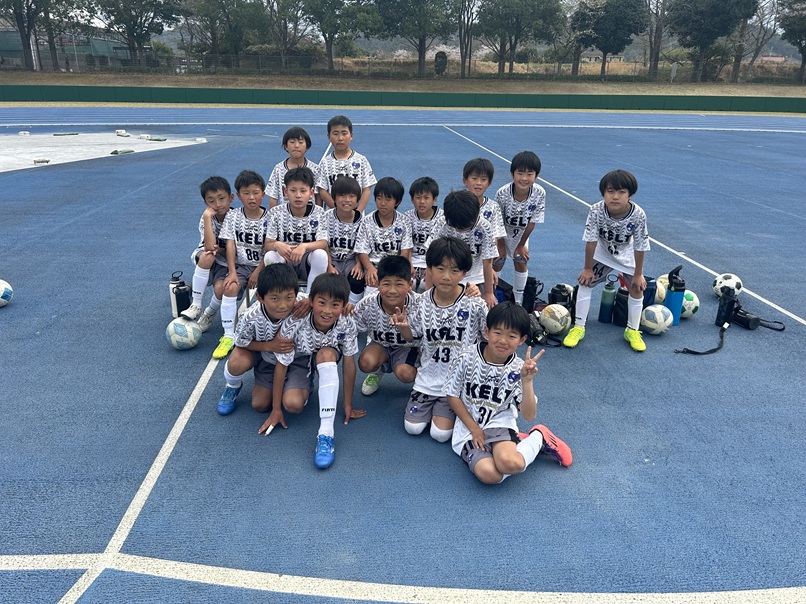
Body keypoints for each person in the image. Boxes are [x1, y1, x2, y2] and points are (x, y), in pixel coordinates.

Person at [445, 302, 572, 484]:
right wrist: (474, 429)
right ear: (487, 331)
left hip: (499, 422)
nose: (503, 341)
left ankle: (539, 437)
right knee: (490, 475)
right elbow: (452, 395)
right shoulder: (466, 358)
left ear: (521, 339)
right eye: (497, 333)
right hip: (469, 425)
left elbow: (529, 415)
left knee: (511, 464)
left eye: (511, 336)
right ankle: (515, 444)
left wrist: (527, 381)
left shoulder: (518, 368)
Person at [259, 273, 365, 469]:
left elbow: (349, 364)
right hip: (300, 359)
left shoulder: (347, 321)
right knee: (288, 405)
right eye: (321, 303)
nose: (327, 311)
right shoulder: (296, 319)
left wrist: (348, 404)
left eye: (335, 305)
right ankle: (307, 386)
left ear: (344, 305)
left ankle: (326, 434)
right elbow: (282, 364)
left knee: (326, 355)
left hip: (325, 355)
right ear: (311, 301)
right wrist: (276, 409)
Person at [393, 237, 487, 443]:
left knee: (440, 434)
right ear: (429, 269)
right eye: (440, 268)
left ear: (464, 273)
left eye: (454, 270)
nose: (446, 276)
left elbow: (488, 338)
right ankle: (434, 408)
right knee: (412, 428)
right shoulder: (420, 302)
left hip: (457, 382)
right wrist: (403, 327)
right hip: (428, 378)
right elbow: (412, 339)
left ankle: (451, 408)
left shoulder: (474, 304)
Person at [562, 169, 650, 352]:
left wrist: (638, 273)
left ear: (630, 195)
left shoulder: (638, 215)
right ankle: (578, 327)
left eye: (621, 192)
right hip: (602, 253)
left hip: (626, 255)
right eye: (610, 191)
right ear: (603, 193)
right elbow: (591, 241)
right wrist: (588, 268)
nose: (615, 197)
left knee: (637, 288)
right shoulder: (596, 210)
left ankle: (632, 330)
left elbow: (640, 246)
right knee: (586, 282)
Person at [215, 263, 308, 416]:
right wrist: (270, 346)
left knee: (293, 405)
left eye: (289, 297)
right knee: (260, 404)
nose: (283, 305)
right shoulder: (250, 317)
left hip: (297, 359)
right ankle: (232, 386)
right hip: (267, 358)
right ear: (260, 297)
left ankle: (300, 384)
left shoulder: (303, 303)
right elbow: (240, 342)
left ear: (296, 294)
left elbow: (326, 297)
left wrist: (311, 299)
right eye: (275, 298)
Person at [212, 170, 269, 359]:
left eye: (255, 193)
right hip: (241, 266)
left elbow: (271, 248)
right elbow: (230, 244)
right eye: (246, 193)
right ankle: (229, 336)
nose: (251, 197)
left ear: (263, 193)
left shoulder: (271, 217)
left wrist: (258, 271)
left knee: (274, 295)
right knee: (229, 287)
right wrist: (232, 272)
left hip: (265, 266)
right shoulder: (233, 216)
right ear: (237, 196)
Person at [352, 255, 420, 397]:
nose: (392, 290)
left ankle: (421, 380)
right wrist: (345, 312)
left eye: (399, 284)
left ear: (410, 284)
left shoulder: (420, 305)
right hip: (380, 344)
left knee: (406, 374)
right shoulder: (367, 304)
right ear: (378, 284)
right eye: (386, 284)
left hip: (407, 347)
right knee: (366, 363)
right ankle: (377, 372)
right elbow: (351, 329)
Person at [425, 190, 498, 308]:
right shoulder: (443, 223)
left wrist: (489, 292)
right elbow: (431, 258)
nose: (461, 230)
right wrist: (428, 292)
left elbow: (487, 262)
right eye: (457, 227)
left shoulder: (484, 227)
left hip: (476, 278)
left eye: (466, 226)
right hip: (449, 277)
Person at [180, 176, 234, 332]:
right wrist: (207, 217)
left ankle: (209, 312)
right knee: (208, 255)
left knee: (220, 288)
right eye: (211, 201)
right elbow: (209, 247)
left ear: (231, 198)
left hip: (227, 259)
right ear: (206, 203)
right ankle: (196, 304)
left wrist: (221, 250)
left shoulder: (237, 217)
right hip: (209, 256)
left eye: (222, 198)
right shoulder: (206, 218)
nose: (217, 204)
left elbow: (230, 250)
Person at [263, 167, 329, 293]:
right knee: (270, 256)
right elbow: (268, 244)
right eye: (293, 190)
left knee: (321, 255)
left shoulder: (319, 212)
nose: (298, 195)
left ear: (311, 193)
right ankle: (283, 295)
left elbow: (323, 242)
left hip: (307, 263)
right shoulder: (276, 213)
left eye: (303, 191)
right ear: (285, 191)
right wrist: (277, 245)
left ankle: (310, 297)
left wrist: (304, 246)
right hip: (285, 262)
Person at [493, 151, 546, 305]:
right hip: (502, 232)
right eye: (520, 173)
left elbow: (532, 222)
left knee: (521, 260)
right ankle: (492, 297)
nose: (524, 178)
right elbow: (497, 221)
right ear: (512, 174)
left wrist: (521, 245)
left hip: (521, 234)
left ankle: (518, 301)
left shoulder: (540, 193)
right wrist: (500, 244)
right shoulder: (502, 193)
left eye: (529, 174)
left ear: (536, 176)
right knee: (498, 261)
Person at [354, 176, 413, 296]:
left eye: (388, 199)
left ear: (397, 201)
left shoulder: (404, 221)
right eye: (379, 198)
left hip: (395, 268)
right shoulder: (367, 221)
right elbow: (362, 251)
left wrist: (396, 272)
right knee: (371, 294)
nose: (382, 203)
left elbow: (405, 252)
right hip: (374, 268)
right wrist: (370, 268)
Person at [316, 115, 376, 212]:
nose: (340, 138)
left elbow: (366, 189)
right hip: (332, 217)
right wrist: (338, 210)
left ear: (351, 135)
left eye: (344, 133)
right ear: (329, 137)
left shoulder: (361, 160)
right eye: (335, 134)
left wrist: (358, 212)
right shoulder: (325, 163)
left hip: (356, 215)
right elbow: (322, 191)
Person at [324, 176, 365, 306]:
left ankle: (353, 309)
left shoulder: (362, 221)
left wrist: (359, 265)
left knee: (357, 279)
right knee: (329, 283)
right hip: (332, 259)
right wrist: (328, 265)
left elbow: (362, 246)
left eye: (351, 196)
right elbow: (324, 244)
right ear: (334, 198)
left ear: (357, 199)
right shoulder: (326, 217)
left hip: (351, 260)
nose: (347, 200)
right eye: (342, 195)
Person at [464, 158, 507, 268]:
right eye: (474, 178)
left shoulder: (493, 207)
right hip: (459, 260)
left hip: (482, 263)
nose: (479, 183)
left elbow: (495, 237)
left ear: (489, 183)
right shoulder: (457, 203)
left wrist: (489, 265)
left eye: (483, 179)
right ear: (465, 181)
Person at [404, 176, 442, 293]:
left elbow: (442, 247)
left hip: (433, 263)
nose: (422, 201)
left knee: (426, 287)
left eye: (426, 198)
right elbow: (406, 245)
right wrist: (408, 265)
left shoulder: (442, 218)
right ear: (412, 199)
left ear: (434, 199)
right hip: (412, 262)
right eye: (418, 197)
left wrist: (431, 266)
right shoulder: (406, 217)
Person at [264, 126, 320, 207]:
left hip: (309, 213)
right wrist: (273, 213)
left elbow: (318, 196)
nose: (296, 145)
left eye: (301, 142)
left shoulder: (315, 169)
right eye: (292, 142)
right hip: (285, 214)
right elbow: (273, 196)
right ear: (286, 146)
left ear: (307, 147)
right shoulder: (278, 169)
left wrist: (318, 212)